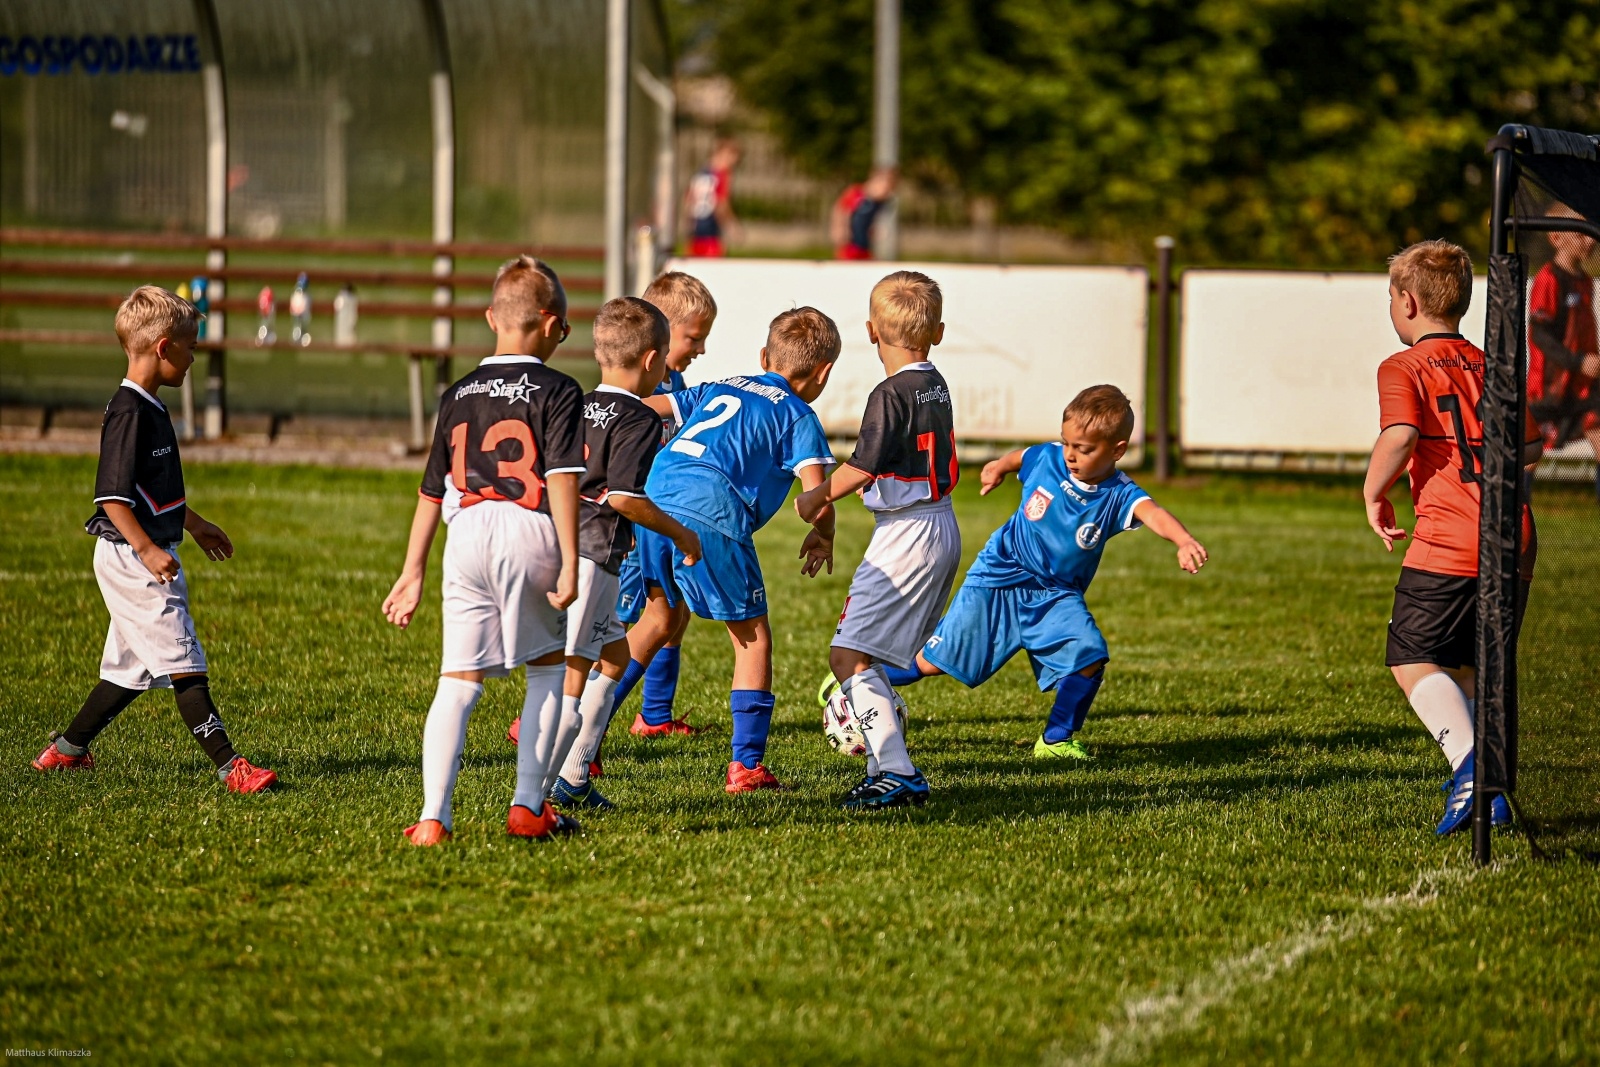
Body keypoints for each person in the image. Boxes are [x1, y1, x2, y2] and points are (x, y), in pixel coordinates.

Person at [32, 285, 277, 794]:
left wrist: (194, 523)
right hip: (132, 558)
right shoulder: (129, 413)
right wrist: (147, 549)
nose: (194, 357)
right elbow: (113, 499)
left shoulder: (152, 408)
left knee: (128, 671)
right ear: (164, 348)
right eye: (190, 346)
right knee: (186, 662)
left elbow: (153, 492)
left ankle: (66, 752)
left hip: (141, 552)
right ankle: (232, 768)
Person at [889, 385, 1207, 766]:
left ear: (1117, 451)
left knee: (1089, 656)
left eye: (1084, 449)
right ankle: (859, 675)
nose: (1071, 455)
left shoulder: (1118, 494)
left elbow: (1153, 512)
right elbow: (1021, 457)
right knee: (930, 663)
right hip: (1000, 578)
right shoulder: (1050, 459)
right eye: (1067, 443)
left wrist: (1183, 540)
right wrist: (997, 468)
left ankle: (1056, 739)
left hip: (1056, 595)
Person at [383, 256, 587, 847]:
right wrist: (572, 559)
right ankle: (527, 806)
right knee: (548, 669)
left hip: (465, 533)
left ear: (492, 318)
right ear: (551, 325)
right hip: (529, 529)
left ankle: (432, 817)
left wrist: (412, 570)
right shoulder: (558, 389)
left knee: (459, 680)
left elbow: (430, 490)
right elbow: (566, 478)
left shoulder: (458, 392)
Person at [1362, 238, 1543, 836]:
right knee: (1472, 667)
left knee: (1411, 656)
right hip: (1513, 537)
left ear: (1407, 303)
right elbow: (1535, 448)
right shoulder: (1498, 365)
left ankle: (1473, 769)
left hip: (1449, 539)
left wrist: (1373, 491)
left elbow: (1401, 433)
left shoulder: (1402, 366)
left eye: (1390, 299)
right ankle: (1491, 793)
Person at [629, 308, 842, 793]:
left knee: (655, 621)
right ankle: (746, 767)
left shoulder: (723, 385)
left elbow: (649, 409)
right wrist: (824, 532)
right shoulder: (797, 414)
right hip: (712, 512)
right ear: (824, 372)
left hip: (654, 497)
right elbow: (814, 496)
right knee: (752, 638)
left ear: (764, 356)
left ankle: (583, 743)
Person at [504, 297, 704, 811]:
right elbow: (623, 498)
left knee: (614, 657)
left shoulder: (579, 404)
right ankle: (535, 799)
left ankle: (573, 775)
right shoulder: (638, 417)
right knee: (570, 680)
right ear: (653, 361)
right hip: (592, 559)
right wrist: (681, 534)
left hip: (558, 544)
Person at [793, 270, 961, 809]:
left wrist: (815, 499)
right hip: (940, 525)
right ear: (937, 331)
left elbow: (863, 467)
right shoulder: (936, 382)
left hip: (906, 533)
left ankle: (896, 770)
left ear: (870, 331)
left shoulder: (890, 393)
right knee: (872, 660)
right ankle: (880, 767)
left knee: (846, 657)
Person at [609, 272, 721, 741]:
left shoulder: (672, 382)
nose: (700, 348)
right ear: (661, 330)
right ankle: (560, 715)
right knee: (612, 629)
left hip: (662, 518)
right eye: (694, 337)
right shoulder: (641, 388)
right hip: (633, 527)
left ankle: (654, 715)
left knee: (673, 611)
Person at [1527, 203, 1600, 502]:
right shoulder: (1549, 279)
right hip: (1549, 390)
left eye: (1591, 233)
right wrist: (1577, 361)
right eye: (1581, 233)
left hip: (1582, 389)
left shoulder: (1584, 280)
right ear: (1556, 237)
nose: (1590, 239)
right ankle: (1515, 516)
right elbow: (1540, 334)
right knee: (1530, 453)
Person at [686, 138, 741, 258]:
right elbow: (721, 203)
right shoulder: (721, 175)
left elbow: (689, 200)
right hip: (711, 234)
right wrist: (732, 225)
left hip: (695, 233)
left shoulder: (700, 173)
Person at [831, 166, 898, 260]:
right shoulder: (858, 194)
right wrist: (840, 227)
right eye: (885, 187)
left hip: (864, 244)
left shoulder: (879, 202)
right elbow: (841, 208)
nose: (886, 192)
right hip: (850, 243)